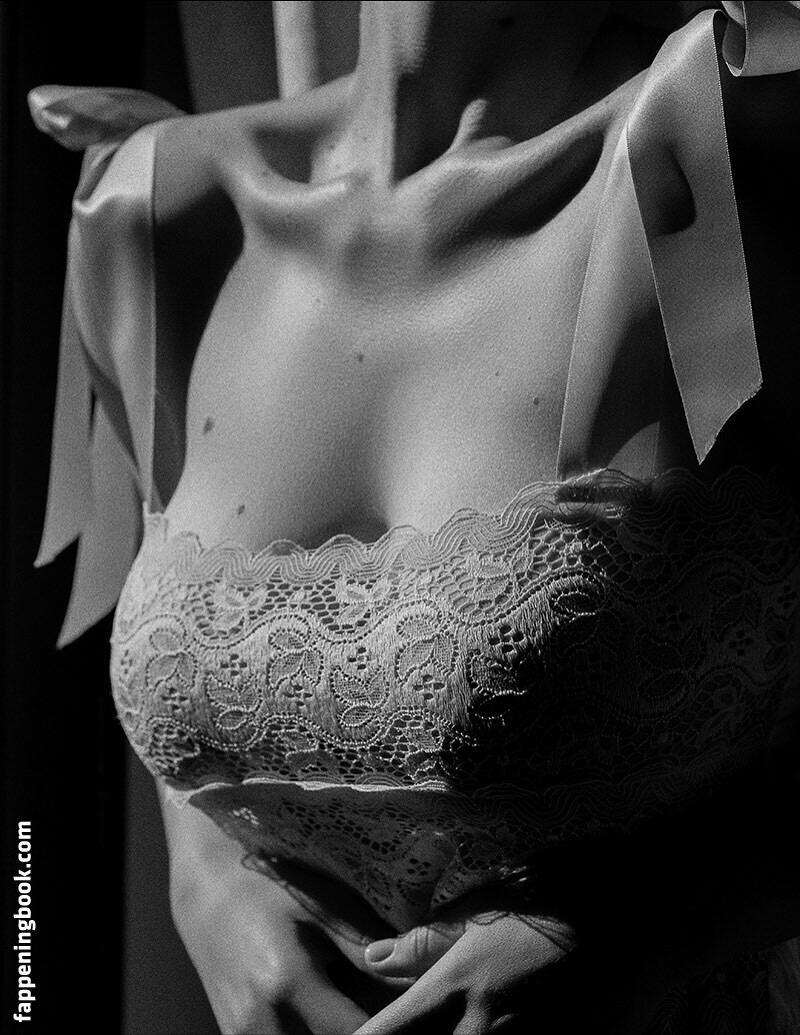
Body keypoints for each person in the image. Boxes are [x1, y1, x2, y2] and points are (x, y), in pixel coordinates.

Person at [30, 2, 800, 1032]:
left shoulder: (732, 150)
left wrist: (661, 927)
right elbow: (183, 674)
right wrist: (204, 877)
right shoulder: (151, 207)